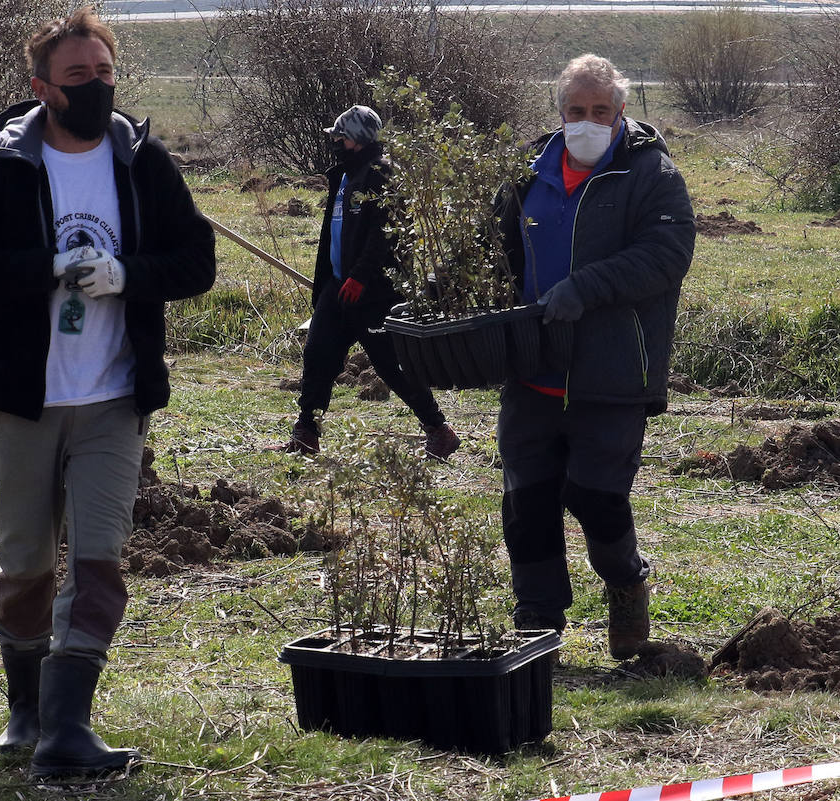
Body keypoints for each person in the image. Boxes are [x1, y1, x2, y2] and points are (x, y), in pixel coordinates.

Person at [0, 7, 215, 779]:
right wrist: (42, 267)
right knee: (25, 562)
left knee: (99, 561)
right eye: (77, 76)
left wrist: (129, 275)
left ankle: (66, 724)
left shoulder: (141, 161)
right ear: (41, 88)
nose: (95, 87)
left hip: (114, 397)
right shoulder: (4, 167)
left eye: (104, 73)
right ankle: (24, 709)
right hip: (24, 399)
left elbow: (198, 261)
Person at [493, 55, 695, 660]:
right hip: (532, 371)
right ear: (560, 112)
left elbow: (667, 253)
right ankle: (537, 620)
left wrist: (585, 287)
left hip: (612, 373)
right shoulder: (527, 174)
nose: (587, 121)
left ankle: (627, 580)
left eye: (599, 112)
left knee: (595, 496)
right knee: (526, 499)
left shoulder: (651, 174)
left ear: (620, 113)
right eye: (576, 112)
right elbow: (496, 252)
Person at [281, 104, 459, 459]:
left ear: (358, 141)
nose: (335, 143)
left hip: (372, 292)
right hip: (337, 285)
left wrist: (361, 277)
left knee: (390, 365)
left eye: (341, 138)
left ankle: (439, 430)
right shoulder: (344, 175)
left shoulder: (382, 175)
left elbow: (386, 235)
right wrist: (335, 283)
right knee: (318, 355)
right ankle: (306, 433)